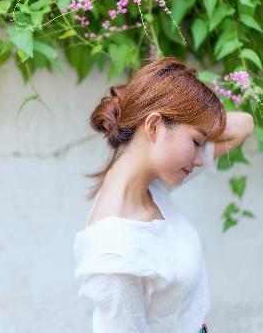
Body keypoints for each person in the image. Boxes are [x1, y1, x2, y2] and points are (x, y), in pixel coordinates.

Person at [73, 57, 254, 333]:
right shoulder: (115, 252)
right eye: (196, 142)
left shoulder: (151, 185)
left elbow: (245, 125)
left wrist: (198, 116)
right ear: (154, 126)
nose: (200, 159)